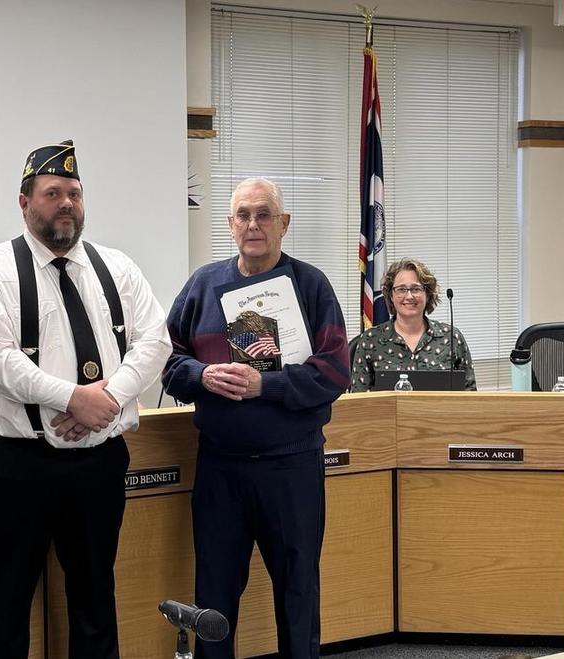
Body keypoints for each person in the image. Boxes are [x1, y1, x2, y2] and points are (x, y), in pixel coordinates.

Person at [0, 141, 169, 657]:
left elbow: (155, 339)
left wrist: (109, 399)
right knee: (5, 602)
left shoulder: (117, 268)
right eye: (52, 193)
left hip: (98, 464)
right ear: (24, 202)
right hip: (14, 466)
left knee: (96, 596)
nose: (66, 203)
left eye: (74, 192)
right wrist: (73, 398)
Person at [161, 177, 350, 658]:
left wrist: (266, 384)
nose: (253, 224)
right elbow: (165, 361)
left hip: (291, 467)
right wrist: (203, 376)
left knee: (297, 590)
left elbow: (333, 372)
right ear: (229, 225)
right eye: (243, 215)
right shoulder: (203, 285)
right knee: (214, 596)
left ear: (284, 224)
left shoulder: (310, 286)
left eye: (264, 214)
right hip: (220, 468)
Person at [346, 258, 475, 392]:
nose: (409, 296)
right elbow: (358, 400)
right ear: (391, 295)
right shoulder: (370, 340)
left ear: (428, 294)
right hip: (387, 413)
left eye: (416, 289)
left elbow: (470, 396)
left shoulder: (452, 337)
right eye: (401, 289)